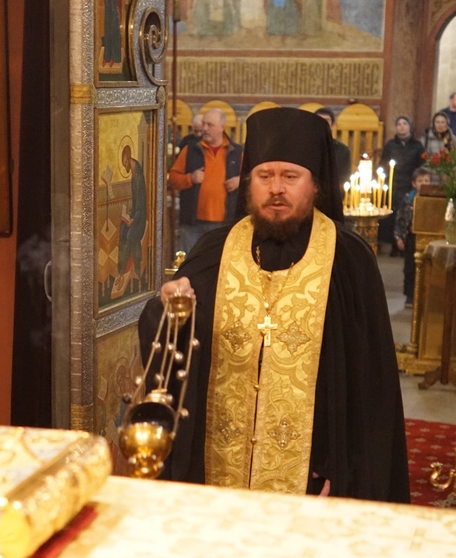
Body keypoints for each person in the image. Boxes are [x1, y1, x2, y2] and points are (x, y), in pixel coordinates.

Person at [139, 107, 410, 503]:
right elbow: (168, 346)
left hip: (314, 478)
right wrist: (170, 309)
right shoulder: (215, 251)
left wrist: (343, 468)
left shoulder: (348, 261)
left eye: (290, 177)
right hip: (215, 474)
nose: (276, 188)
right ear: (250, 183)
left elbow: (371, 387)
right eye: (265, 176)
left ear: (315, 185)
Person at [168, 108, 243, 255]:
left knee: (218, 264)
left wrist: (239, 181)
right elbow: (173, 179)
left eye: (210, 125)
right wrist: (190, 178)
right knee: (189, 263)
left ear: (222, 127)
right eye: (204, 124)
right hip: (192, 224)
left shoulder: (237, 152)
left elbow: (252, 179)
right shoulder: (190, 150)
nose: (205, 128)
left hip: (224, 224)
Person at [379, 115, 425, 253]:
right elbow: (384, 163)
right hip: (394, 184)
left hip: (410, 184)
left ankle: (406, 245)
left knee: (407, 216)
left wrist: (417, 181)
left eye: (405, 123)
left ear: (410, 126)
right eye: (399, 124)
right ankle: (394, 245)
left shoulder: (417, 146)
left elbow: (421, 165)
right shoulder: (391, 145)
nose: (402, 126)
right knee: (392, 215)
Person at [394, 166, 432, 308]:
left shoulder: (433, 199)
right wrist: (399, 237)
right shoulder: (408, 199)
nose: (423, 184)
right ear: (414, 184)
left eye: (426, 181)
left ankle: (424, 295)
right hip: (411, 237)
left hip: (427, 237)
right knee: (410, 267)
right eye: (420, 181)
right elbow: (400, 218)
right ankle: (410, 295)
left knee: (426, 266)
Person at [114, 145, 147, 297]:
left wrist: (133, 219)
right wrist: (129, 213)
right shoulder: (135, 174)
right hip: (136, 215)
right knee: (122, 230)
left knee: (129, 236)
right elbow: (137, 203)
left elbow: (142, 205)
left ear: (128, 159)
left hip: (140, 220)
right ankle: (120, 272)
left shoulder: (138, 177)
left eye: (125, 162)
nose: (124, 166)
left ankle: (127, 271)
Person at [314, 107, 352, 187]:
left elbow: (344, 177)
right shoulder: (305, 148)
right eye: (319, 120)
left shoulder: (343, 151)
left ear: (333, 125)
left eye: (326, 121)